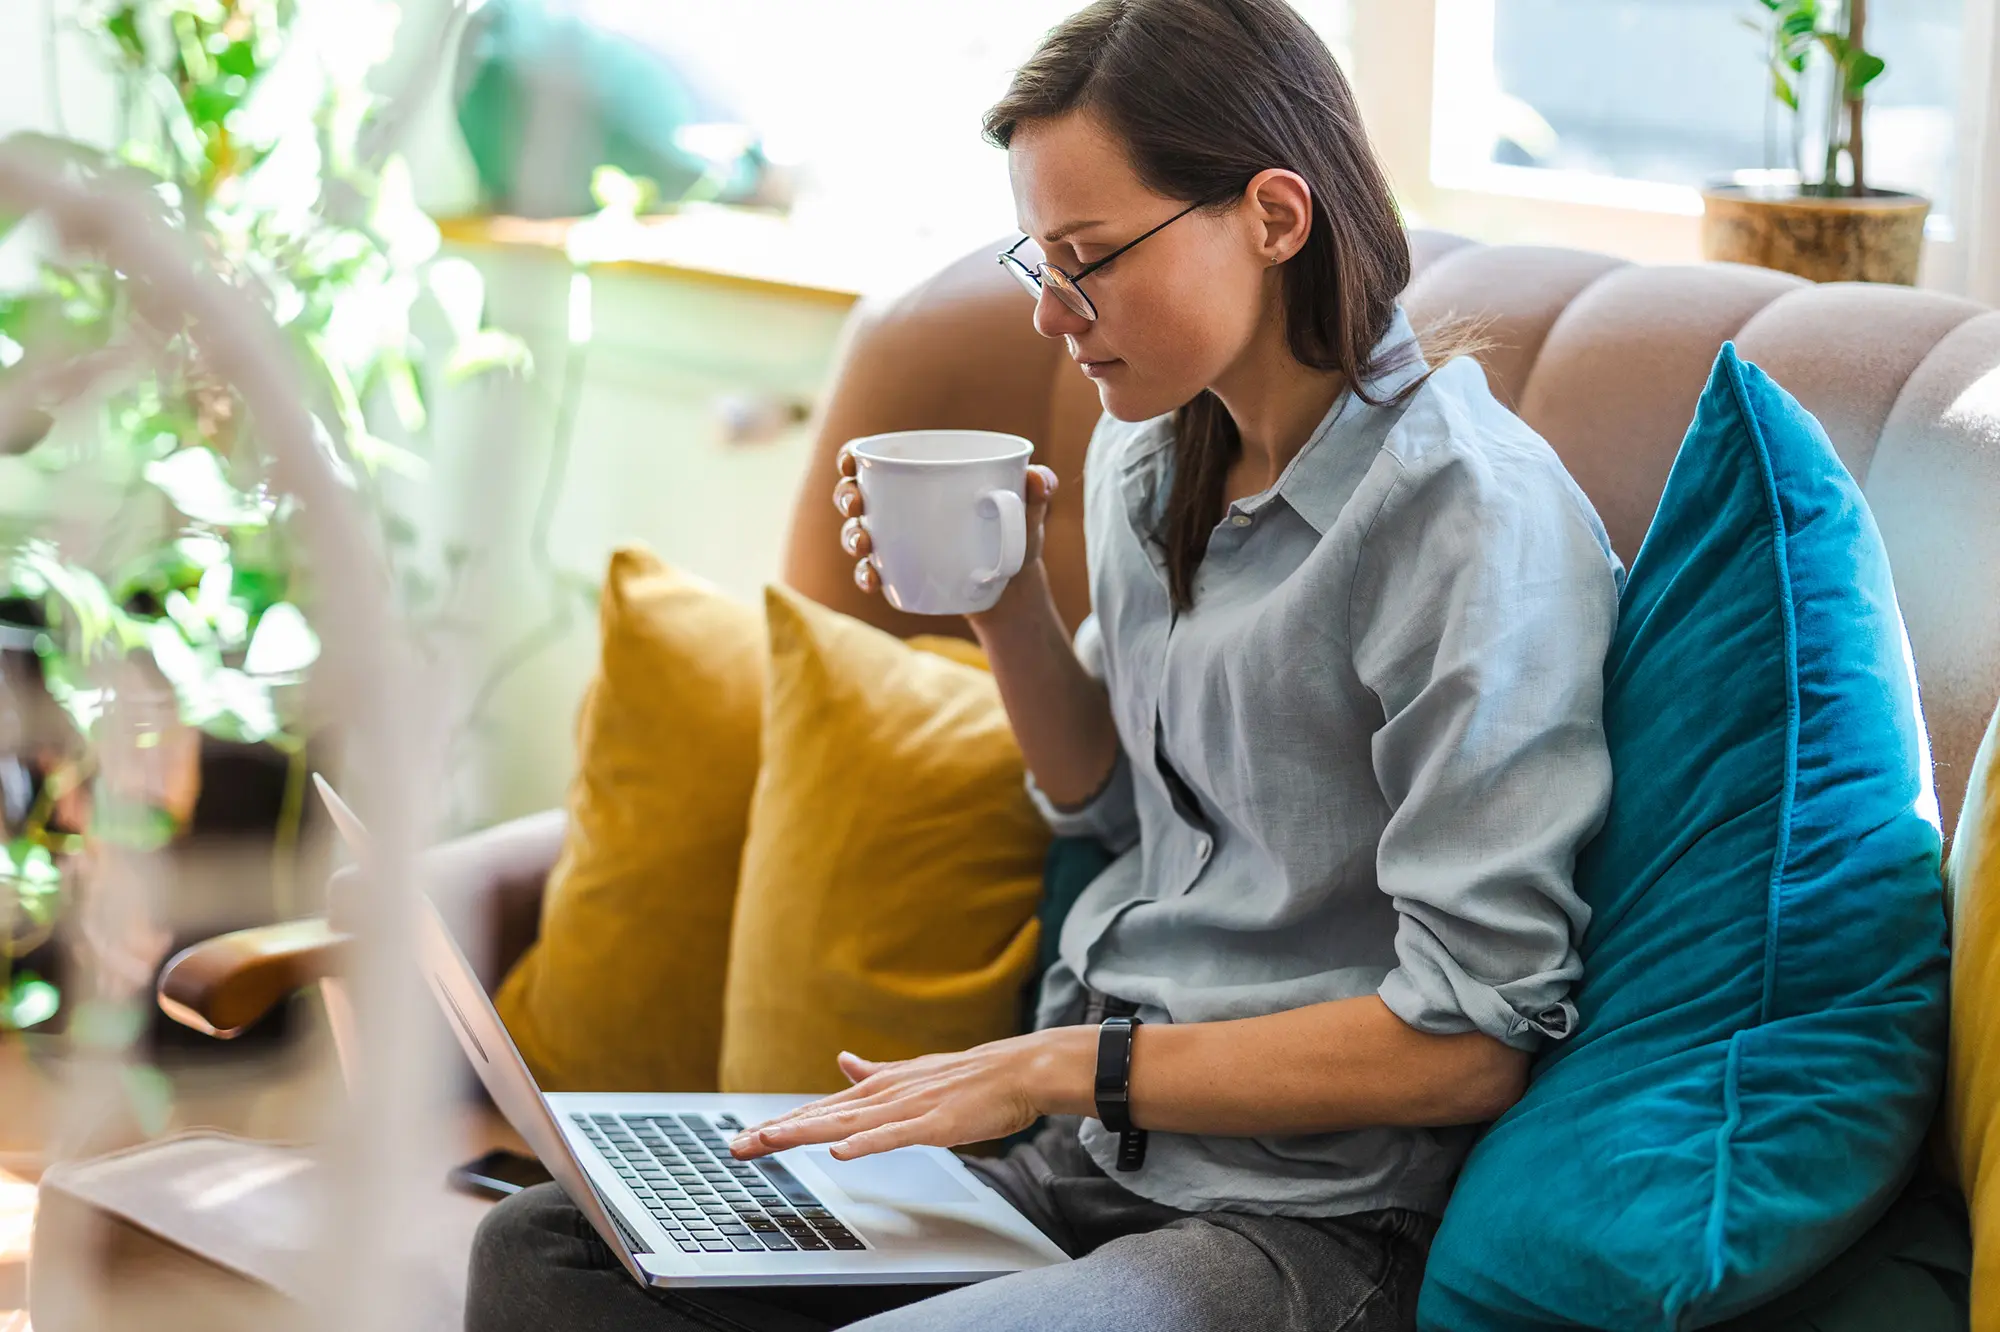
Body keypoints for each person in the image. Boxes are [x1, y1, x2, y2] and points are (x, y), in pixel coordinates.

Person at [465, 1, 1621, 1328]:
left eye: (1092, 260)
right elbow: (1108, 802)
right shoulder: (1154, 460)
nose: (1054, 318)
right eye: (1040, 261)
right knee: (548, 1245)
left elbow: (1468, 1044)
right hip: (1079, 1164)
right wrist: (1005, 600)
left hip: (1308, 1219)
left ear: (1275, 216)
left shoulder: (1463, 519)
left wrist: (1060, 1066)